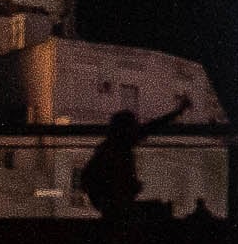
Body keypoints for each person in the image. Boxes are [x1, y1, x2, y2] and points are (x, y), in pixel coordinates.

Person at [77, 94, 191, 224]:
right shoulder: (116, 152)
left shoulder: (110, 150)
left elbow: (89, 181)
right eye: (133, 126)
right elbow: (151, 127)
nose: (137, 130)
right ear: (126, 130)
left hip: (114, 209)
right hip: (117, 210)